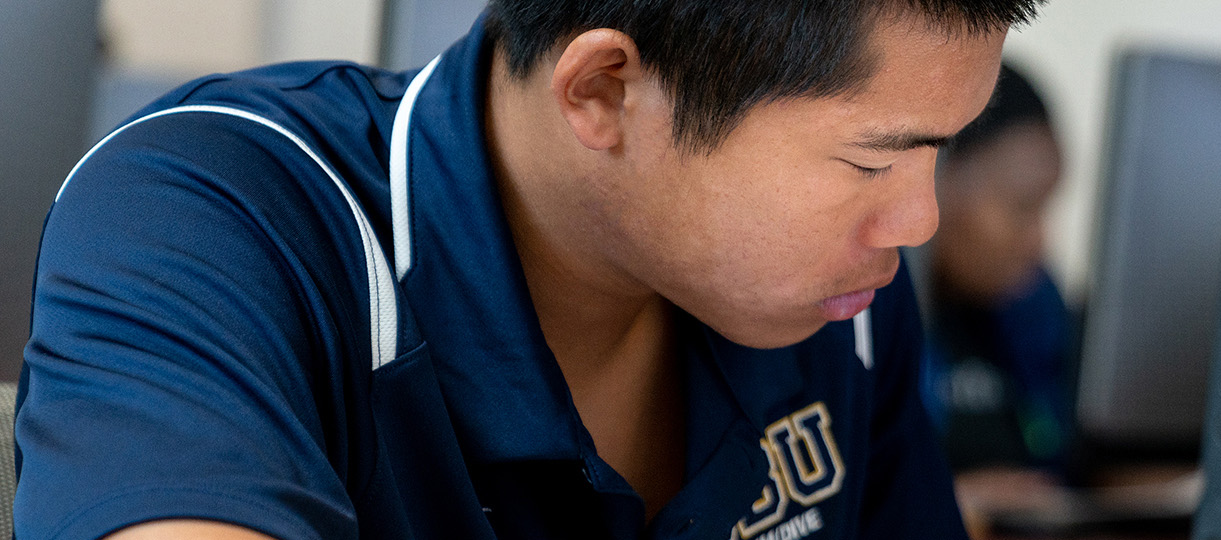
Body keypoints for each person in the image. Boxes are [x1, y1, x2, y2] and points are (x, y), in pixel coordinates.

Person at [16, 1, 1044, 539]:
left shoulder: (844, 304)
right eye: (872, 160)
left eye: (939, 149)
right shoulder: (208, 214)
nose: (917, 220)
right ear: (602, 88)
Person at [918, 65, 1078, 531]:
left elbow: (1069, 458)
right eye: (1022, 207)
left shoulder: (1032, 303)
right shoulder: (861, 320)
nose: (1039, 242)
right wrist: (949, 499)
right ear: (935, 174)